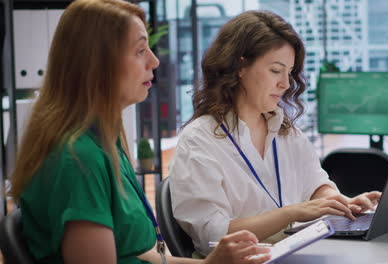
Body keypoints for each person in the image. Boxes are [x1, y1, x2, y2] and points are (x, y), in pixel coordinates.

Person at [8, 0, 270, 263]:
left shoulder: (105, 143)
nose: (154, 61)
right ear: (97, 64)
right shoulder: (77, 160)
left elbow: (143, 254)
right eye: (140, 51)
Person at [169, 10, 382, 256]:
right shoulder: (199, 140)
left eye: (289, 72)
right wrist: (291, 213)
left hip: (295, 254)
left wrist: (338, 202)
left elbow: (315, 185)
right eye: (275, 70)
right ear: (241, 66)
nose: (286, 83)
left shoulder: (287, 133)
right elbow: (213, 234)